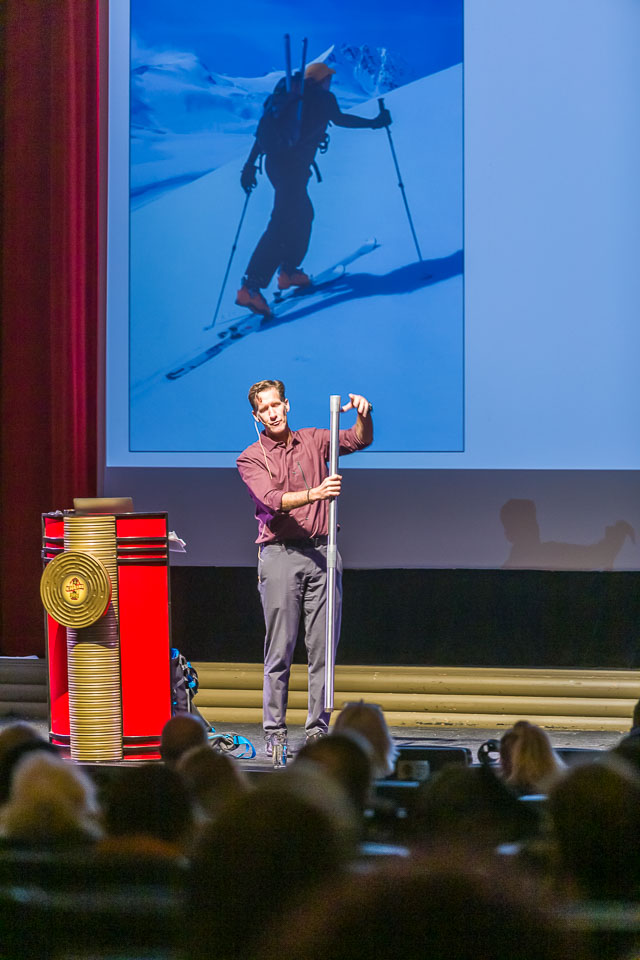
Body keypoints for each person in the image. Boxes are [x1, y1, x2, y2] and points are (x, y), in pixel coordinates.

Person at [236, 379, 373, 756]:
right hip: (280, 555)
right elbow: (271, 499)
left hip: (323, 553)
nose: (272, 413)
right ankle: (275, 732)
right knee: (279, 649)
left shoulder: (313, 440)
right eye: (264, 409)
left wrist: (364, 415)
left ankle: (317, 729)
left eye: (276, 405)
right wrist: (316, 493)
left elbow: (357, 440)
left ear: (287, 405)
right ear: (256, 416)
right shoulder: (250, 457)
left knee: (322, 649)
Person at [235, 61, 391, 317]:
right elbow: (341, 120)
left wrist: (249, 165)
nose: (331, 82)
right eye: (328, 78)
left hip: (276, 166)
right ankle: (251, 287)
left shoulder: (288, 99)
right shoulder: (323, 98)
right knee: (282, 222)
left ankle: (288, 272)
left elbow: (264, 133)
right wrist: (375, 123)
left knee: (302, 216)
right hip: (293, 170)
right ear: (321, 80)